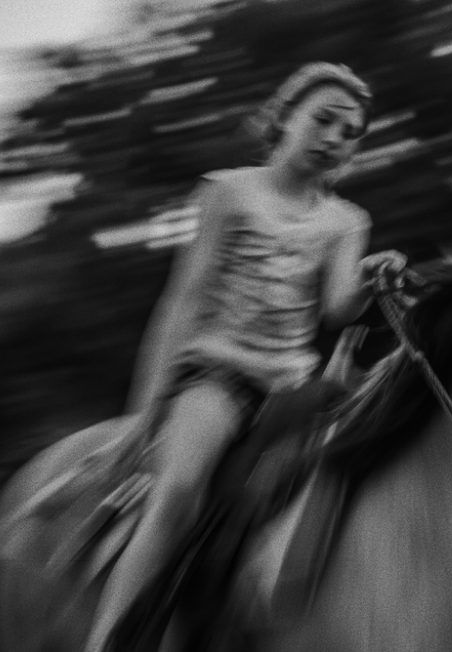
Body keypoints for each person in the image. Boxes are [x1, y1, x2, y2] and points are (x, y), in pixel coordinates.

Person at [82, 62, 407, 652]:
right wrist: (144, 416)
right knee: (179, 490)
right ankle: (109, 640)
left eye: (351, 131)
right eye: (324, 120)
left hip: (292, 387)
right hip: (219, 376)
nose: (336, 137)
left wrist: (369, 276)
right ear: (284, 119)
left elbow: (337, 309)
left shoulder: (346, 221)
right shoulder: (228, 192)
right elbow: (181, 302)